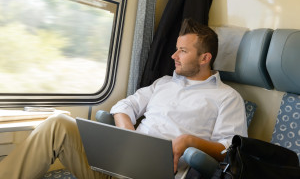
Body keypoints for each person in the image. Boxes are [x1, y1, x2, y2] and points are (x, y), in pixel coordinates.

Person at [0, 18, 247, 179]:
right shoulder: (163, 83)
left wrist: (188, 141)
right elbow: (123, 106)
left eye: (183, 50)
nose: (173, 55)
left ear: (205, 58)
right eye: (175, 48)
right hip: (120, 163)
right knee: (57, 124)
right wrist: (129, 135)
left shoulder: (227, 97)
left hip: (160, 174)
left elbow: (231, 151)